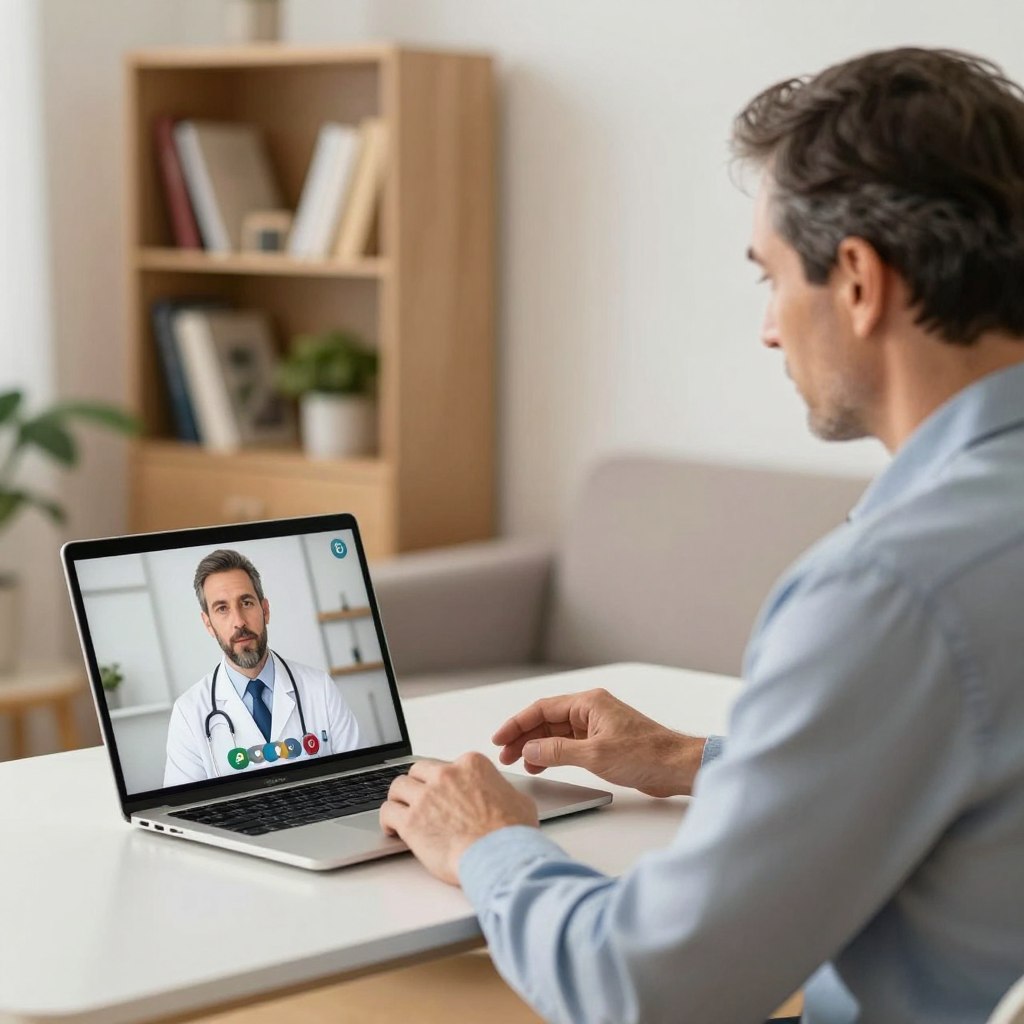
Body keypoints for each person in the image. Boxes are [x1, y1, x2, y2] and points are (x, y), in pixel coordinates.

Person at [379, 47, 1024, 1023]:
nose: (768, 328)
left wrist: (486, 841)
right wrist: (701, 760)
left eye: (769, 277)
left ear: (856, 280)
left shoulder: (889, 587)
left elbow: (650, 987)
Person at [164, 549, 360, 786]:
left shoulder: (320, 688)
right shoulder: (188, 713)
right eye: (222, 609)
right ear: (208, 624)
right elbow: (184, 808)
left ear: (265, 610)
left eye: (246, 603)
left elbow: (360, 778)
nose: (239, 621)